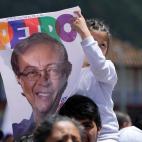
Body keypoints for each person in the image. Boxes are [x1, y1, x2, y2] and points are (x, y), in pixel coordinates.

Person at [10, 32, 72, 140]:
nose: (43, 81)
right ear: (19, 79)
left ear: (65, 74)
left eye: (52, 70)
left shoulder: (82, 129)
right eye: (32, 72)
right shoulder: (12, 134)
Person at [70, 11, 118, 141]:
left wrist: (85, 33)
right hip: (74, 135)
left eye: (102, 45)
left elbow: (98, 65)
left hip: (105, 136)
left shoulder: (108, 68)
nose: (96, 47)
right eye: (93, 41)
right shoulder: (67, 73)